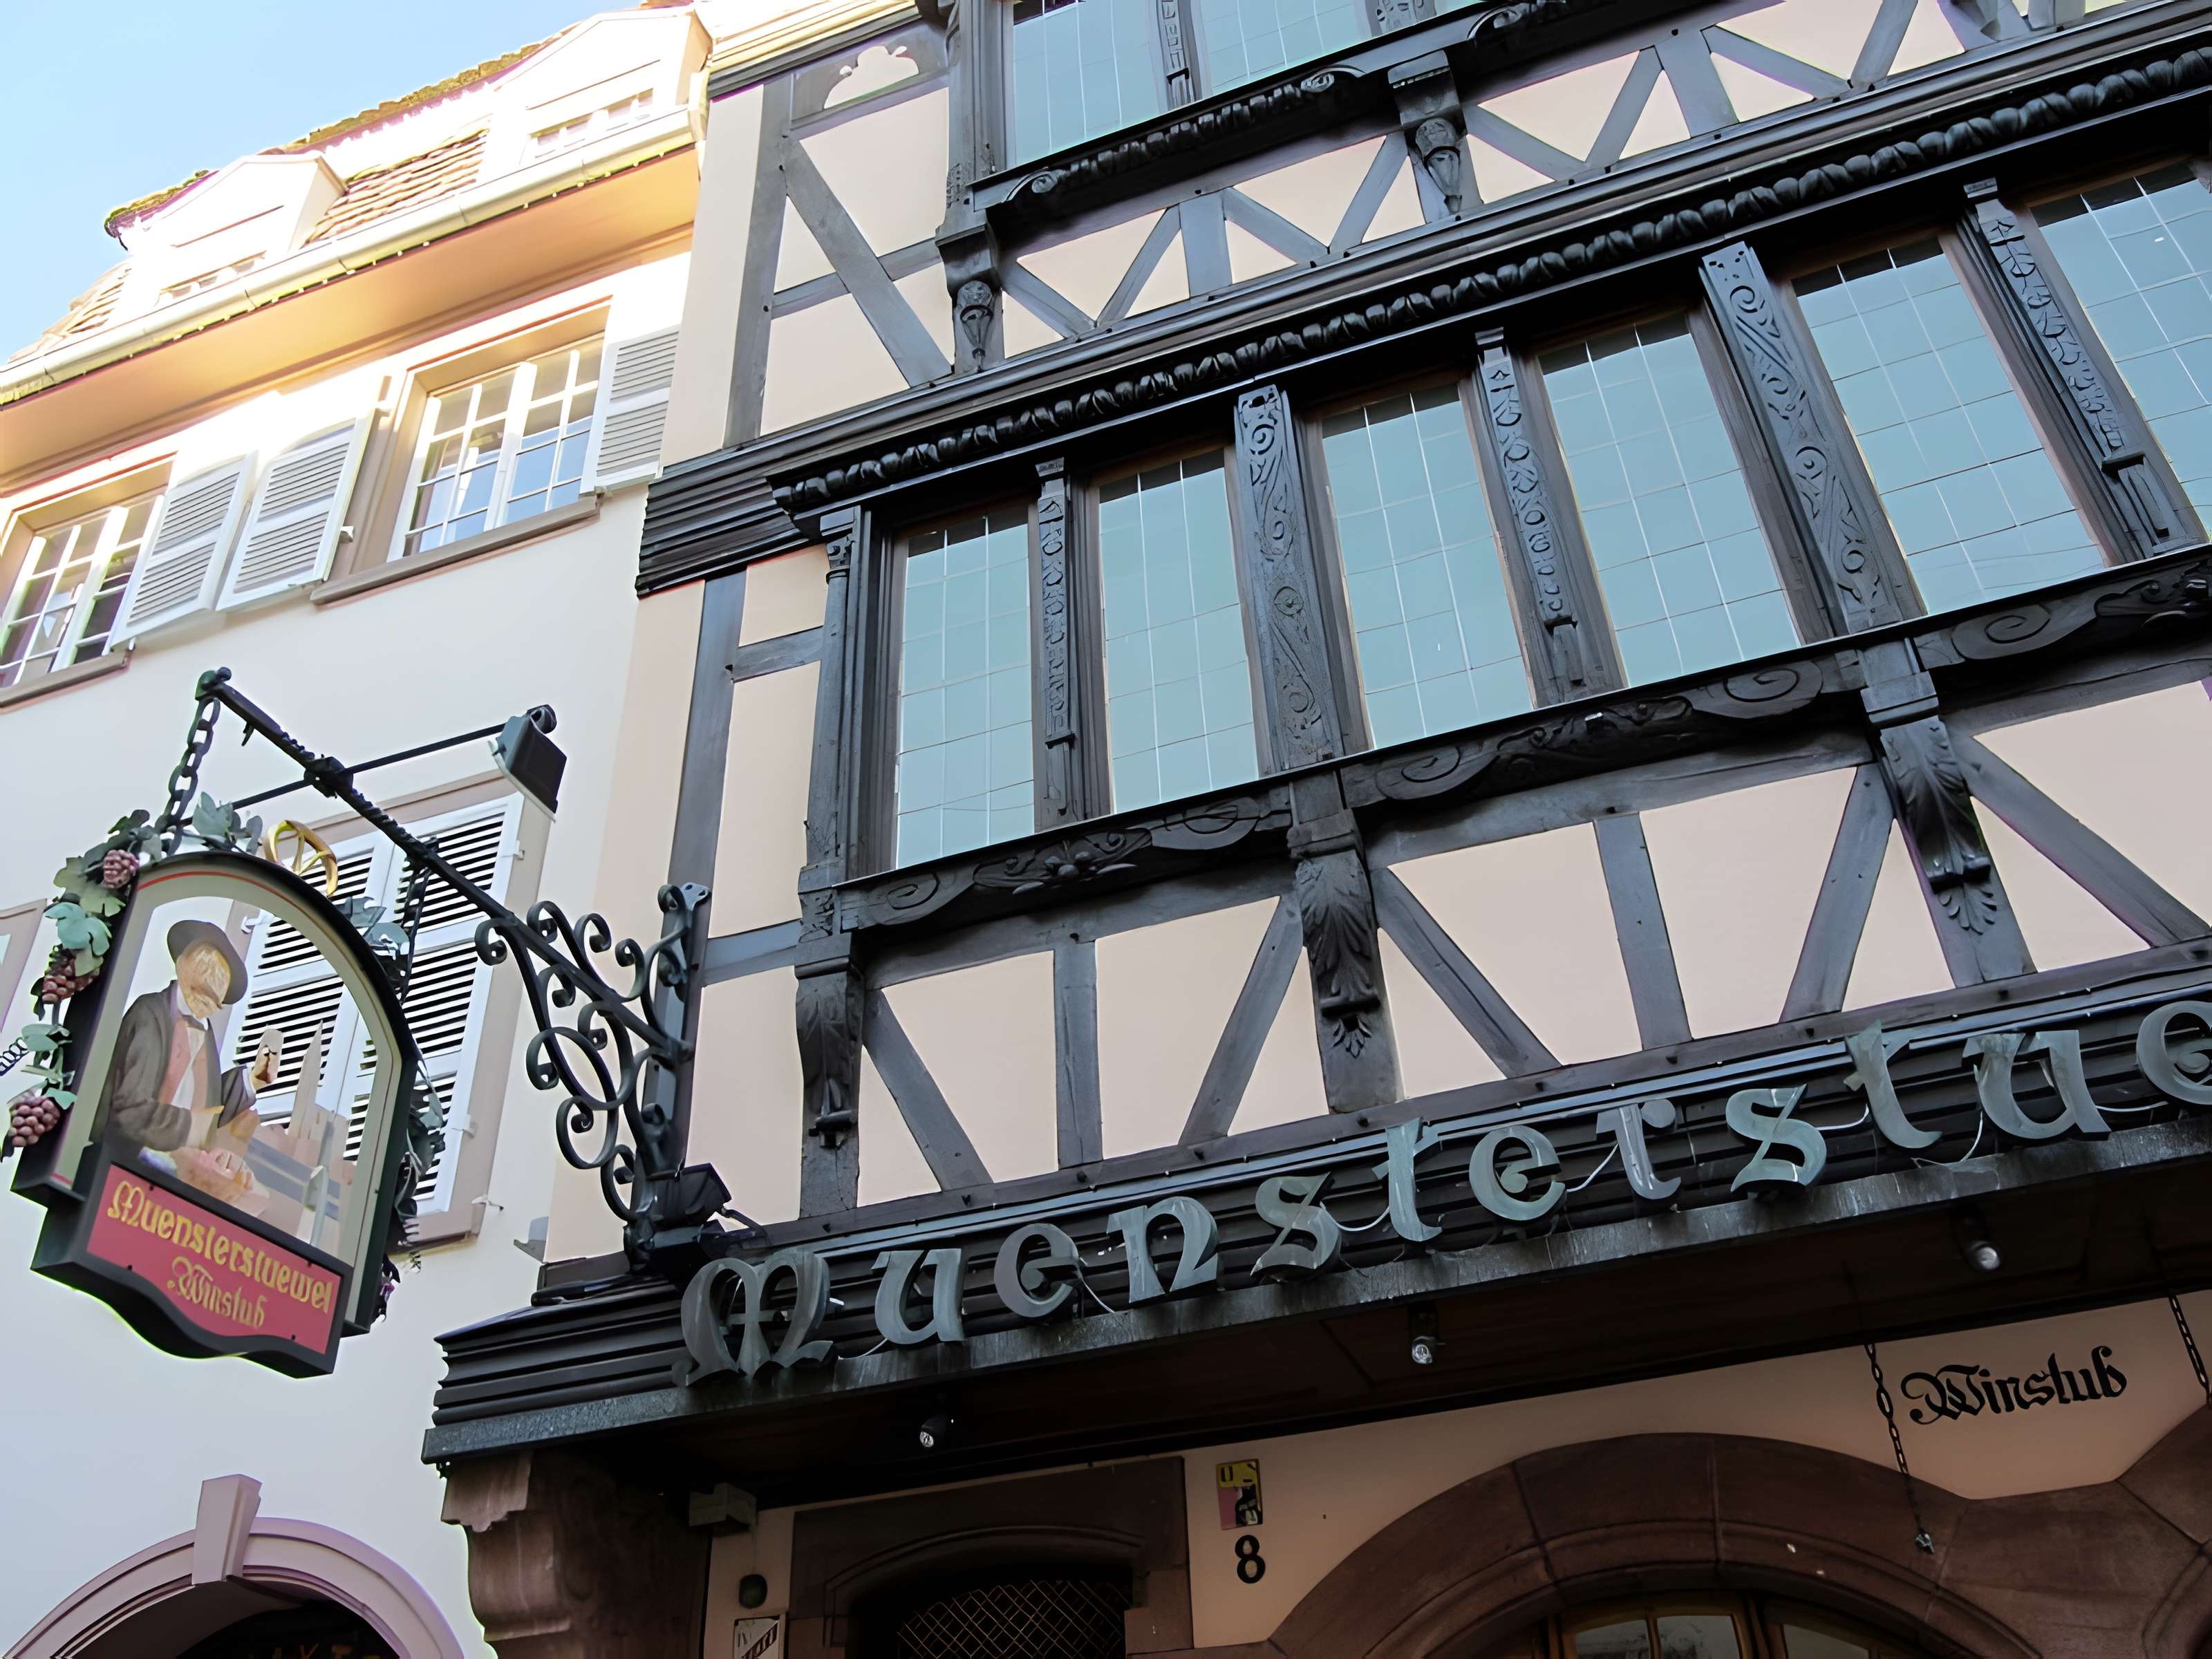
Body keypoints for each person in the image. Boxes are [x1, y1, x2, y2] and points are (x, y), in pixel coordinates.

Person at [99, 921, 279, 1157]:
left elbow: (209, 1108)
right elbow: (131, 1107)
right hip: (130, 1156)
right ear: (183, 965)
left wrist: (253, 1080)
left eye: (219, 978)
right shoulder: (151, 1013)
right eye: (207, 968)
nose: (214, 979)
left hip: (178, 1166)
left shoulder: (204, 1032)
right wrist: (190, 1126)